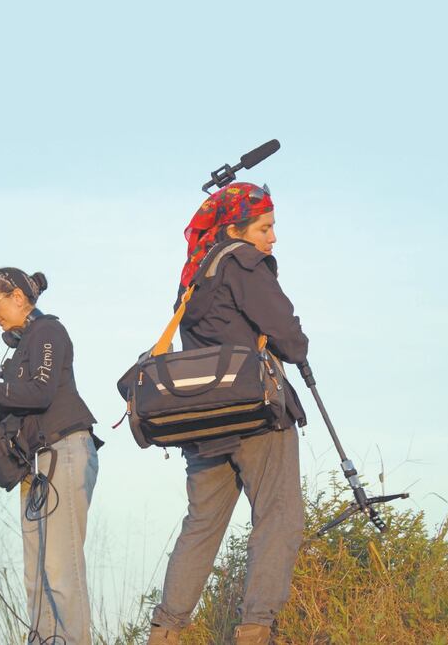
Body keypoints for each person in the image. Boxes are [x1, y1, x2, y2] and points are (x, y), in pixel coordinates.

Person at [148, 183, 308, 645]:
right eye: (264, 228)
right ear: (236, 229)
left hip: (204, 423)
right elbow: (290, 338)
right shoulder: (243, 262)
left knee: (201, 526)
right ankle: (255, 629)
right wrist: (294, 341)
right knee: (279, 516)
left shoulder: (195, 273)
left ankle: (165, 632)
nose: (272, 238)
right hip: (255, 416)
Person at [0, 267, 100, 645]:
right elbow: (13, 421)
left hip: (63, 451)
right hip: (36, 461)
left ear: (17, 297)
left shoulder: (48, 331)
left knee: (60, 569)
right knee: (37, 574)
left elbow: (40, 393)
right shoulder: (21, 346)